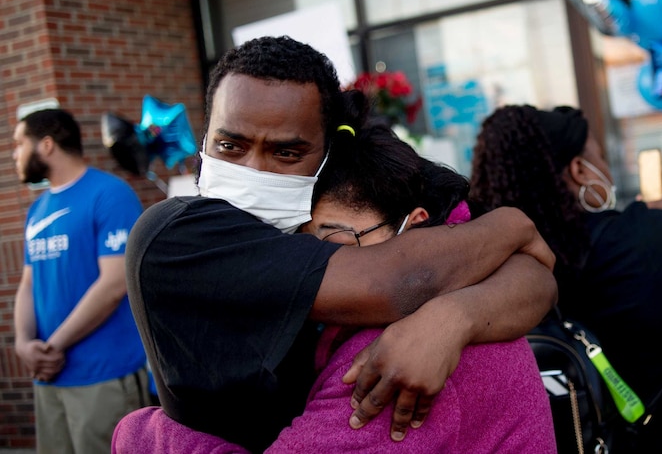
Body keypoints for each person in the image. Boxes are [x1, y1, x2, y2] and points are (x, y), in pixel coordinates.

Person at [123, 36, 557, 453]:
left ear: (325, 154)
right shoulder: (176, 234)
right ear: (204, 139)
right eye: (229, 145)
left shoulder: (394, 353)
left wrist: (147, 434)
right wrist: (511, 229)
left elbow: (404, 277)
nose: (254, 171)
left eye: (287, 153)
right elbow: (406, 276)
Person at [469, 105, 662, 453]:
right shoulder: (650, 237)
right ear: (579, 170)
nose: (606, 168)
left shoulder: (489, 268)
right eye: (600, 157)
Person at [12, 109, 149, 454]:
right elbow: (28, 283)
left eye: (18, 144)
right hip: (49, 376)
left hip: (102, 376)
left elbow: (114, 283)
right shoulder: (38, 209)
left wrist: (53, 346)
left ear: (46, 145)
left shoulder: (110, 194)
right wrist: (23, 343)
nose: (14, 153)